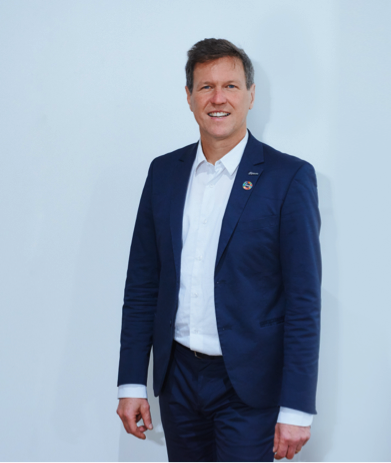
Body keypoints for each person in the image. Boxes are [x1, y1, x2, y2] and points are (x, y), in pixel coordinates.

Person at [116, 38, 322, 462]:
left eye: (230, 86)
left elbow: (304, 300)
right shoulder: (163, 173)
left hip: (249, 385)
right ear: (189, 96)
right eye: (205, 87)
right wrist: (132, 382)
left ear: (250, 94)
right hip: (177, 380)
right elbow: (143, 284)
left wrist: (297, 407)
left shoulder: (288, 178)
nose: (218, 98)